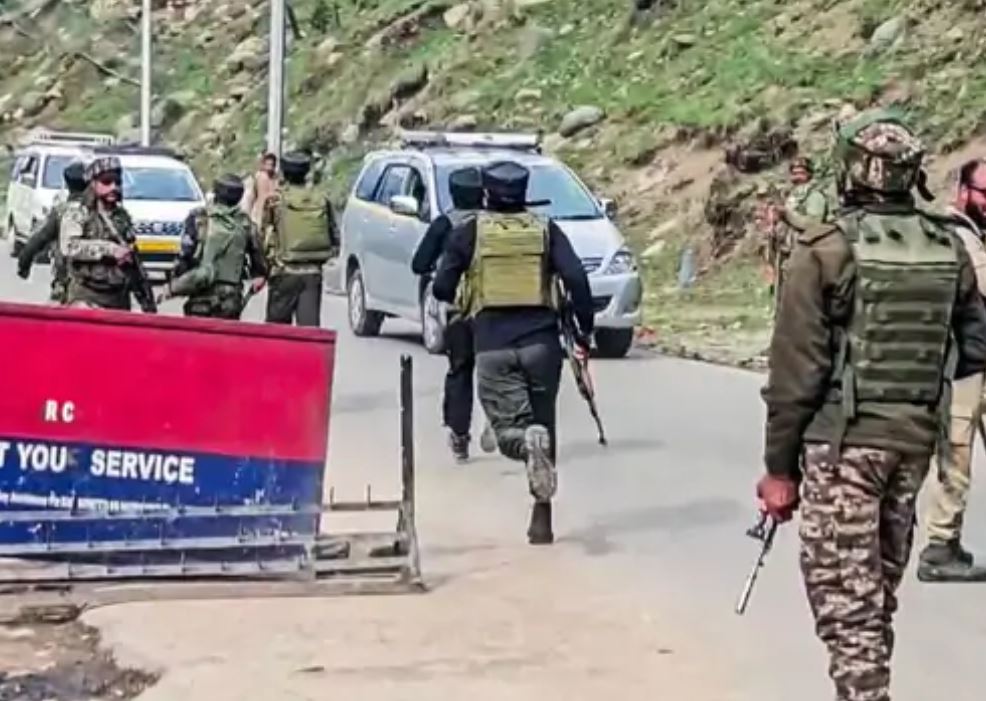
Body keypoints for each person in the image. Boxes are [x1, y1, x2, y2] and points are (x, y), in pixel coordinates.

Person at [757, 110, 986, 701]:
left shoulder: (825, 248)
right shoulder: (947, 244)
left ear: (849, 170)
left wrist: (779, 470)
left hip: (843, 447)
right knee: (875, 596)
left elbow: (795, 375)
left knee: (845, 602)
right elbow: (975, 347)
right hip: (913, 445)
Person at [432, 160, 594, 545]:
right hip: (542, 347)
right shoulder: (545, 230)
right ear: (525, 193)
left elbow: (441, 287)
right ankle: (542, 520)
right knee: (544, 423)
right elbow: (576, 277)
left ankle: (525, 447)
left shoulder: (470, 231)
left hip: (492, 347)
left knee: (508, 432)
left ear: (486, 195)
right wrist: (584, 327)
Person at [918, 158, 986, 582]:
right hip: (962, 365)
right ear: (964, 192)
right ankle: (940, 547)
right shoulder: (954, 234)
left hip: (975, 360)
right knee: (955, 455)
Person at [411, 166, 496, 463]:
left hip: (458, 311)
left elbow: (419, 264)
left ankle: (460, 436)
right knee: (496, 369)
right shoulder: (496, 223)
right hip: (495, 309)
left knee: (460, 370)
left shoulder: (445, 224)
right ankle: (495, 419)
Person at [156, 173, 267, 319]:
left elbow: (184, 255)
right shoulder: (246, 224)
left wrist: (175, 284)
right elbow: (259, 264)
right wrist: (259, 276)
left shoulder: (199, 218)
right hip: (230, 299)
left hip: (200, 295)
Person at [60, 156, 156, 313]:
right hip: (87, 297)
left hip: (118, 299)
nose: (113, 187)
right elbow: (69, 247)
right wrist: (110, 249)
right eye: (106, 182)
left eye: (117, 182)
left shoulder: (121, 216)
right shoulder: (78, 212)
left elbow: (133, 261)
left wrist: (146, 300)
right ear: (93, 183)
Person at [261, 150, 338, 326]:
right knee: (309, 332)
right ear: (306, 172)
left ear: (283, 172)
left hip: (284, 273)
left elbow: (263, 236)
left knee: (277, 333)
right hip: (313, 273)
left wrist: (266, 267)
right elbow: (334, 237)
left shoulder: (275, 200)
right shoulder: (322, 199)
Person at [17, 160, 87, 303]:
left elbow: (38, 240)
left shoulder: (61, 212)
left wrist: (23, 265)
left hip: (67, 283)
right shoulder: (102, 211)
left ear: (67, 184)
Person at [242, 152, 279, 228]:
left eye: (272, 165)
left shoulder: (275, 177)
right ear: (264, 164)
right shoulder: (260, 177)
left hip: (272, 214)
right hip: (260, 213)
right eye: (268, 164)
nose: (270, 167)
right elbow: (256, 198)